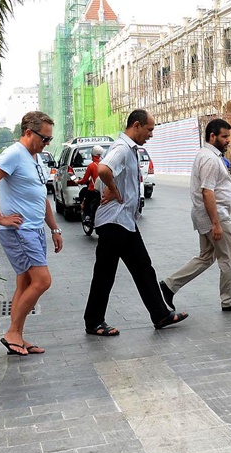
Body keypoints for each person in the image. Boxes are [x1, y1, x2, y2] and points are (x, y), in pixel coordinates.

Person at [83, 109, 188, 336]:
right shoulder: (121, 148)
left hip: (125, 222)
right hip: (114, 223)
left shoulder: (130, 149)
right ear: (137, 125)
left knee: (143, 268)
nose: (150, 135)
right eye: (149, 129)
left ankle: (160, 314)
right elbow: (103, 169)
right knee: (105, 274)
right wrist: (112, 189)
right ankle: (93, 322)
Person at [0, 111, 63, 356]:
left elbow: (41, 197)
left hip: (34, 229)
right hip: (20, 231)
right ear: (28, 132)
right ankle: (12, 332)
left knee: (25, 283)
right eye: (44, 138)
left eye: (49, 139)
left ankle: (18, 336)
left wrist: (54, 228)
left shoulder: (35, 158)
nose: (47, 143)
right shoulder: (14, 154)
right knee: (42, 281)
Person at [159, 119, 231, 313]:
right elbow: (207, 192)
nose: (228, 140)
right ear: (212, 136)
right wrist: (216, 224)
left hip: (206, 215)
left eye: (229, 136)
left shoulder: (206, 155)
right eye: (224, 136)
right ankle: (230, 300)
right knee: (229, 257)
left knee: (206, 257)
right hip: (215, 216)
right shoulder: (210, 158)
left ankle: (169, 285)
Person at [78, 145, 103, 222]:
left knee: (86, 201)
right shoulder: (104, 165)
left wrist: (77, 182)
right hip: (103, 190)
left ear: (92, 155)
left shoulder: (91, 166)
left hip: (93, 190)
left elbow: (84, 180)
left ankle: (87, 216)